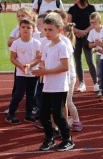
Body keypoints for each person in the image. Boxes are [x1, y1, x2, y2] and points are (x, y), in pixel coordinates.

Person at [32, 12, 75, 152]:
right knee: (43, 114)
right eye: (45, 29)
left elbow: (65, 66)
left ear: (60, 30)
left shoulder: (62, 46)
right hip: (47, 86)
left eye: (51, 29)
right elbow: (44, 62)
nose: (47, 32)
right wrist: (40, 69)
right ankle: (49, 137)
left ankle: (67, 139)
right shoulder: (46, 46)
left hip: (59, 87)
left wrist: (45, 72)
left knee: (58, 115)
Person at [5, 19, 41, 124]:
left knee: (31, 95)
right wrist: (21, 66)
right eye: (23, 27)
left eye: (28, 27)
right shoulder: (16, 43)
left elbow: (38, 58)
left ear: (33, 30)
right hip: (21, 74)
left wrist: (30, 65)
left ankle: (28, 114)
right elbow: (12, 58)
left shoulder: (37, 43)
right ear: (19, 30)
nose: (25, 29)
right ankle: (10, 114)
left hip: (33, 74)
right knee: (19, 94)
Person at [67, 0, 97, 92]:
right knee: (77, 60)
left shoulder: (91, 8)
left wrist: (85, 31)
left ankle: (96, 82)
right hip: (76, 37)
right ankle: (81, 83)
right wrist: (77, 31)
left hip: (88, 37)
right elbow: (69, 24)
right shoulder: (72, 9)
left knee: (90, 60)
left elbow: (93, 23)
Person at [87, 12, 103, 96]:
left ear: (100, 22)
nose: (93, 24)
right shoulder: (92, 32)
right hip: (99, 54)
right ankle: (101, 88)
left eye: (95, 22)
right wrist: (95, 44)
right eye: (91, 22)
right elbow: (89, 45)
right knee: (99, 72)